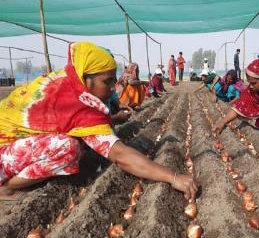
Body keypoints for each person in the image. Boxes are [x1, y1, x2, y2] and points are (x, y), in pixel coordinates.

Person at [0, 42, 197, 200]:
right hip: (4, 154)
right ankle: (6, 188)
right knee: (69, 148)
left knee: (79, 143)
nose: (113, 87)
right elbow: (120, 156)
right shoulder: (79, 104)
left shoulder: (64, 81)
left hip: (13, 146)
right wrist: (172, 176)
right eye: (107, 81)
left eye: (114, 80)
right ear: (86, 78)